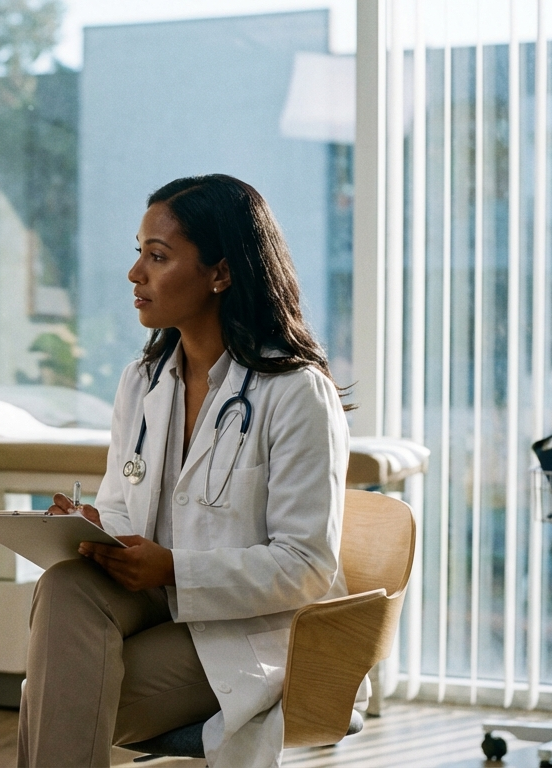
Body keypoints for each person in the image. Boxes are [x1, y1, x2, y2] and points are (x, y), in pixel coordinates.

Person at [17, 175, 351, 768]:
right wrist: (96, 528)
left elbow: (307, 566)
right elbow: (122, 504)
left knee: (62, 697)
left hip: (247, 630)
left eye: (158, 256)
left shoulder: (296, 392)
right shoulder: (142, 382)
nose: (134, 274)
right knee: (66, 586)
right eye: (139, 253)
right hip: (154, 603)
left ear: (220, 273)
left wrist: (173, 568)